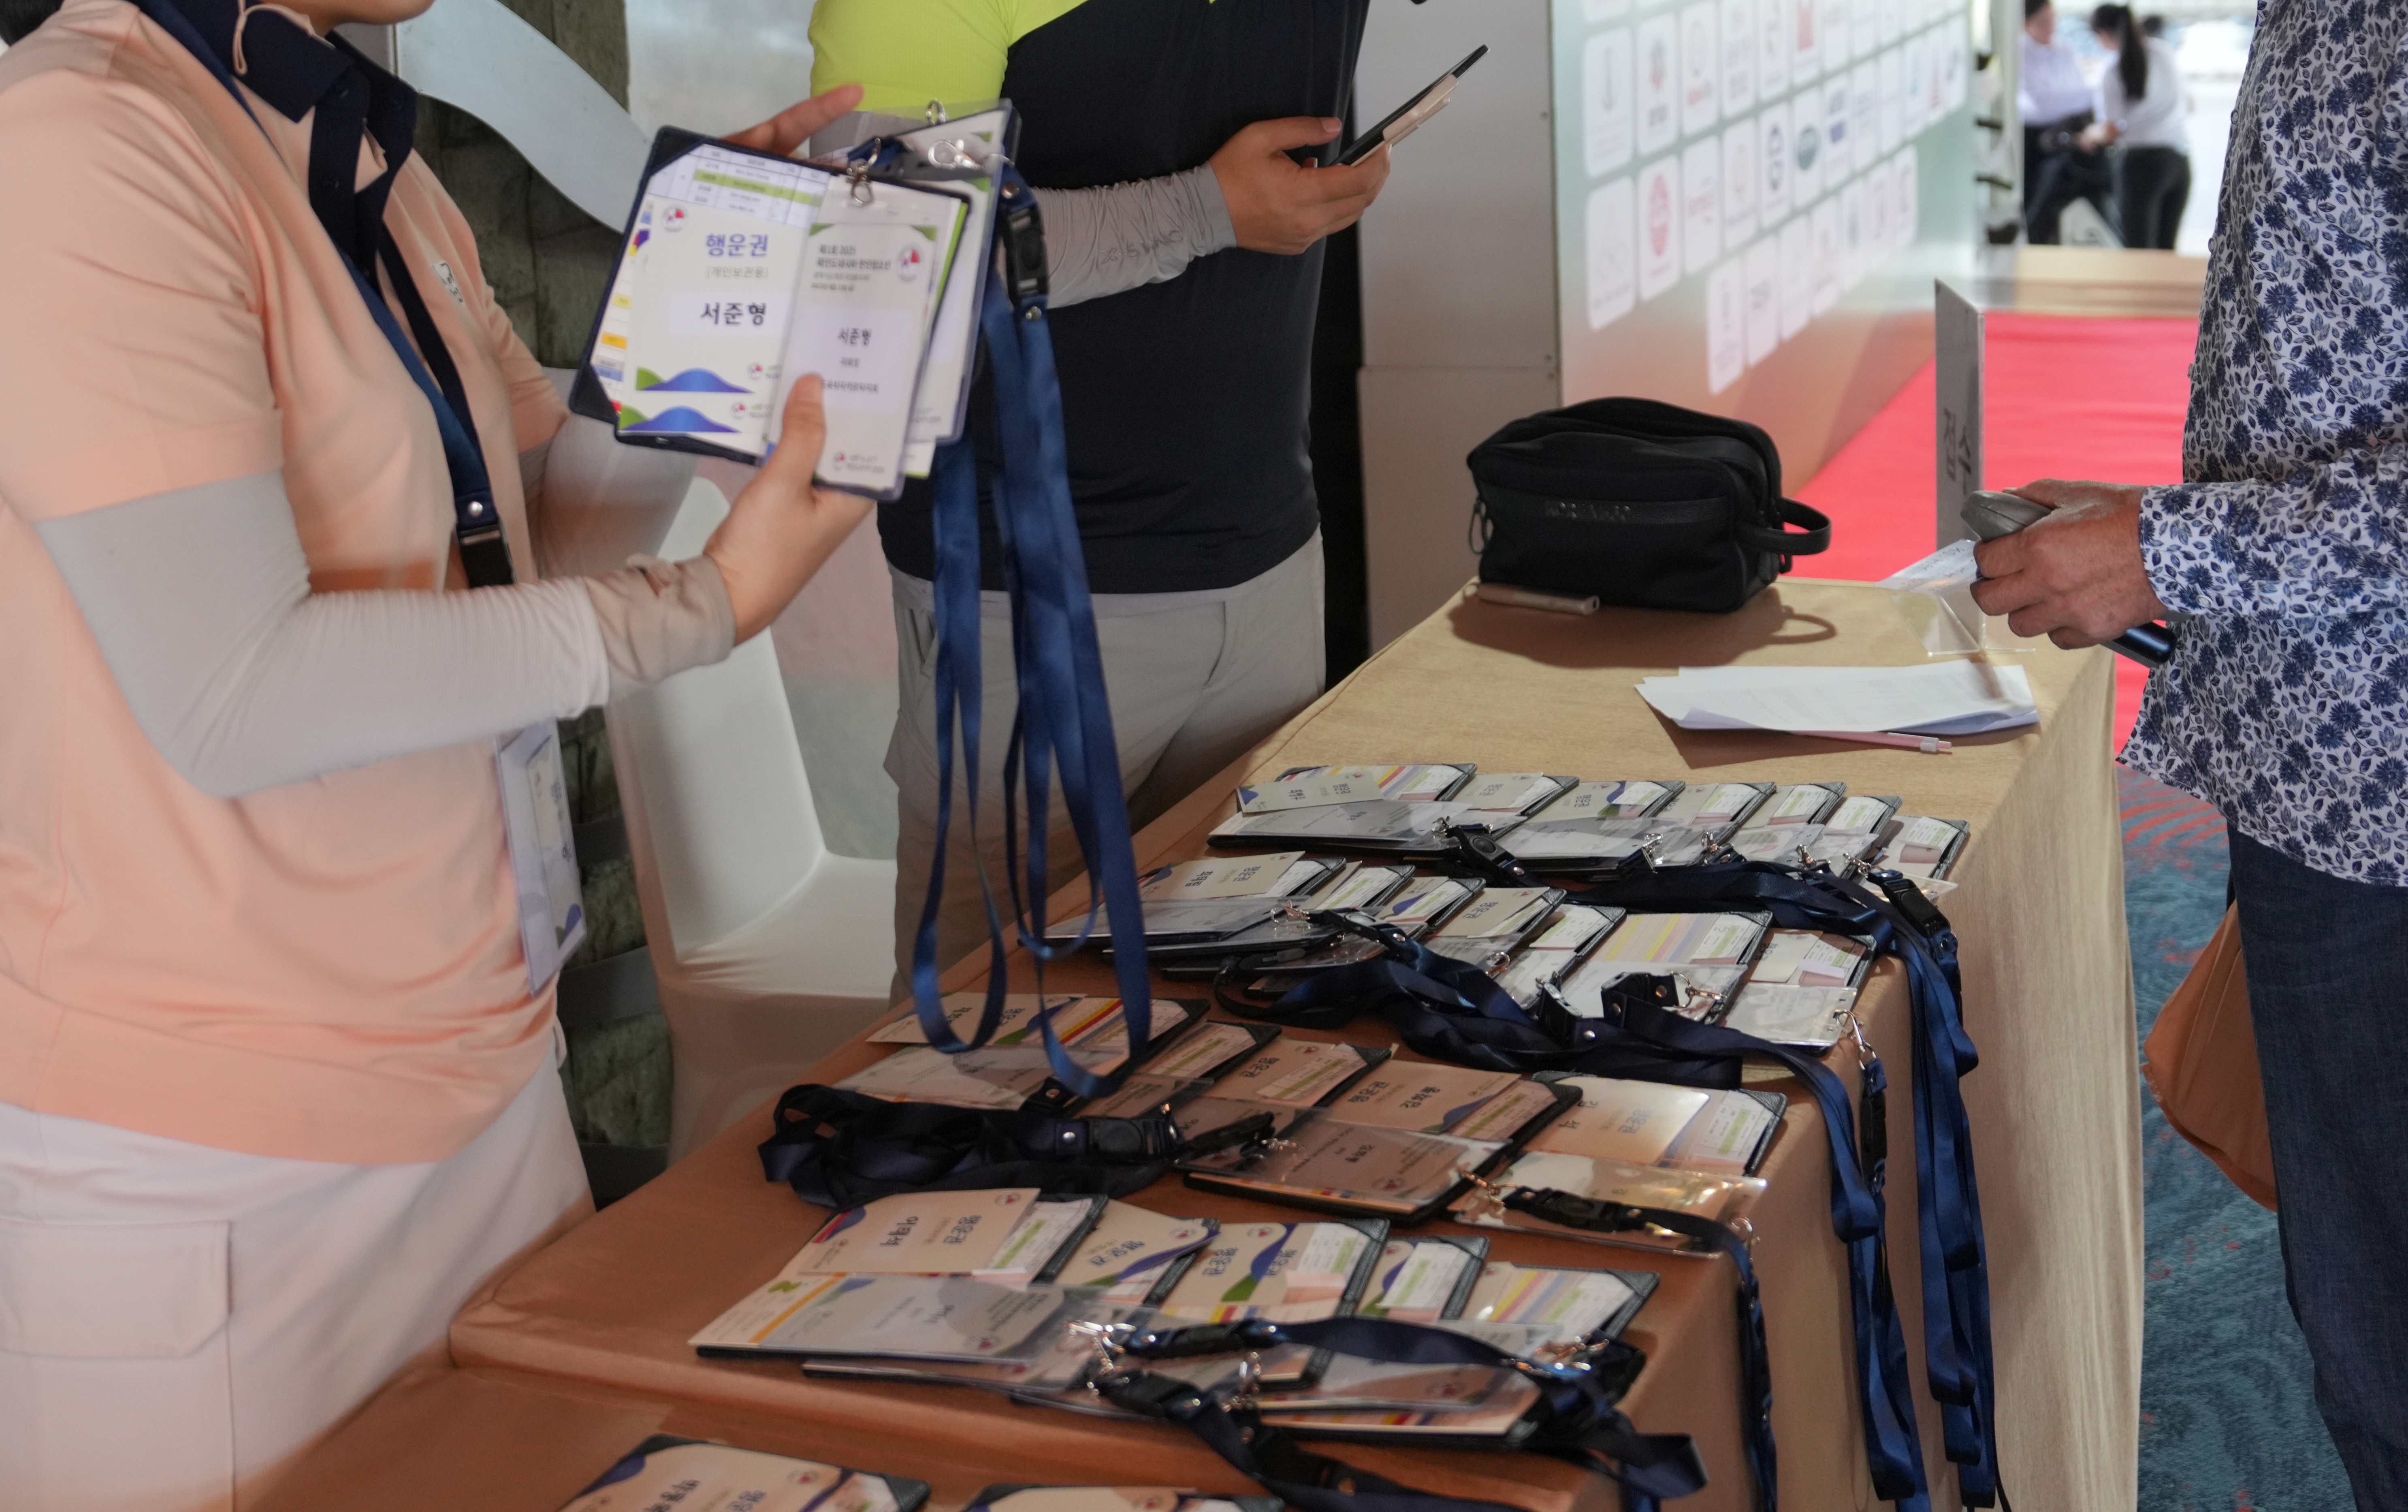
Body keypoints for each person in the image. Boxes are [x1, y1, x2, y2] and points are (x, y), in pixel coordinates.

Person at [0, 1, 871, 1504]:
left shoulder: (355, 154)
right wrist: (703, 607)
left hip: (486, 1071)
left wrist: (699, 286)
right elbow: (235, 693)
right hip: (225, 1155)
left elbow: (523, 548)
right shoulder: (83, 142)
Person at [1970, 11, 2408, 1506]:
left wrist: (2170, 550)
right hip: (2322, 780)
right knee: (2357, 1314)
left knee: (2383, 1334)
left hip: (2382, 810)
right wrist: (2156, 542)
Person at [804, 0, 1393, 995]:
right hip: (1022, 590)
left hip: (1269, 555)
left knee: (1257, 1009)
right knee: (1001, 1038)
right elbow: (895, 251)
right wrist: (1206, 210)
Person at [2080, 3, 2188, 250]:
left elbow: (2111, 131)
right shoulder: (2164, 52)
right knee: (2166, 252)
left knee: (2138, 252)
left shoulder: (2112, 69)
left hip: (2142, 167)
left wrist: (2089, 135)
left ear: (2103, 35)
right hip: (2179, 162)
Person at [2018, 0, 2110, 244]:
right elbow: (2041, 101)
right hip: (2034, 137)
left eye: (2052, 19)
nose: (2051, 26)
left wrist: (2074, 100)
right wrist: (2076, 98)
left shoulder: (2064, 50)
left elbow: (2082, 94)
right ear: (2027, 24)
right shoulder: (2021, 52)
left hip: (2069, 131)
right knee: (2037, 198)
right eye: (2043, 22)